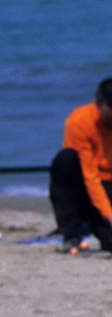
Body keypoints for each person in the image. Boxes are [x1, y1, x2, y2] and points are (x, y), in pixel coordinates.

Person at [48, 79, 112, 255]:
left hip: (108, 187)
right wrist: (109, 214)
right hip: (83, 188)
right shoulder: (80, 120)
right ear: (100, 104)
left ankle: (99, 228)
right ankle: (71, 235)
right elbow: (89, 176)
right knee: (65, 160)